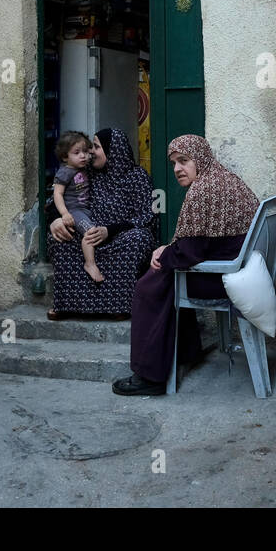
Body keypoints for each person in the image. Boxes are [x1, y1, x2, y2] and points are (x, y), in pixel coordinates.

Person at [112, 134, 258, 397]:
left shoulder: (203, 189)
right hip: (239, 269)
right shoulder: (222, 177)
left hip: (225, 277)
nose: (178, 168)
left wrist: (163, 254)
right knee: (162, 275)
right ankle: (187, 352)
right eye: (174, 163)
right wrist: (169, 250)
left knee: (150, 285)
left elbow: (190, 252)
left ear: (199, 159)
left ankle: (150, 375)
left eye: (184, 160)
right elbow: (199, 243)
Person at [47, 128, 156, 320]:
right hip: (87, 232)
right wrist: (55, 219)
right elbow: (58, 196)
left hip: (119, 236)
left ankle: (117, 306)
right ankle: (65, 304)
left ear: (113, 149)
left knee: (139, 238)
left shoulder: (137, 177)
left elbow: (146, 217)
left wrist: (109, 231)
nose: (90, 153)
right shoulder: (84, 172)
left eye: (96, 147)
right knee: (59, 237)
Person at [51, 131, 102, 282]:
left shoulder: (83, 169)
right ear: (65, 157)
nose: (83, 156)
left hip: (84, 210)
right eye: (77, 153)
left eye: (86, 152)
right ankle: (90, 264)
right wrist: (65, 214)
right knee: (91, 232)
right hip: (74, 211)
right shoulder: (65, 172)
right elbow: (57, 194)